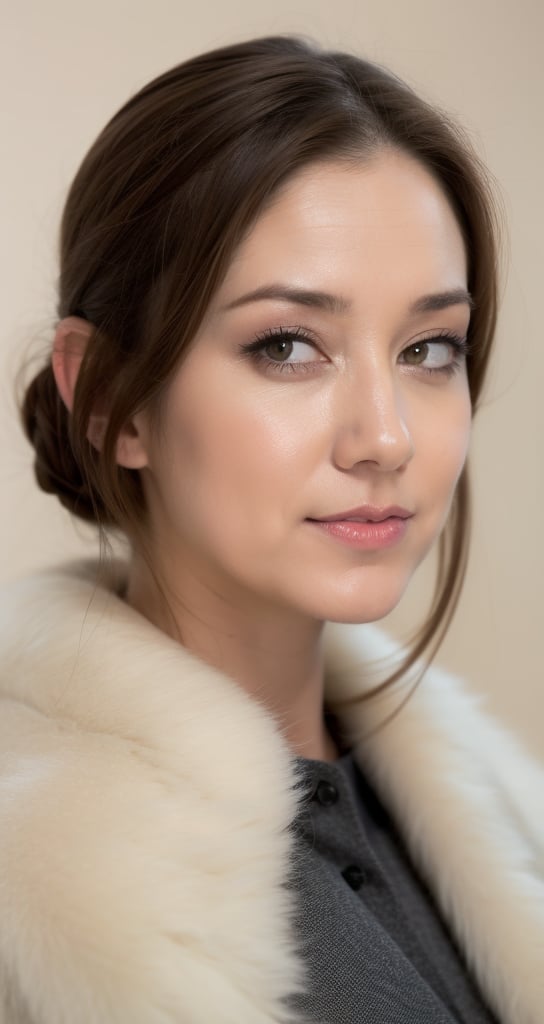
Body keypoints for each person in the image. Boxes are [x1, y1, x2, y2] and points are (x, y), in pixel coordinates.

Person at [0, 34, 542, 1024]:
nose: (384, 434)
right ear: (113, 398)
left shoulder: (501, 821)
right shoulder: (31, 900)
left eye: (429, 347)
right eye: (287, 345)